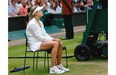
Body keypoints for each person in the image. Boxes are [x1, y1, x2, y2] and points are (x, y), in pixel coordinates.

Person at [26, 6, 70, 74]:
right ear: (35, 13)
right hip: (35, 44)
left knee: (59, 42)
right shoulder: (32, 23)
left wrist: (53, 39)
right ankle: (52, 68)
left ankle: (59, 65)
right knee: (55, 43)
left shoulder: (40, 22)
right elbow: (39, 37)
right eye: (40, 10)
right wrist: (53, 40)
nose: (42, 11)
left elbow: (45, 34)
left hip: (40, 42)